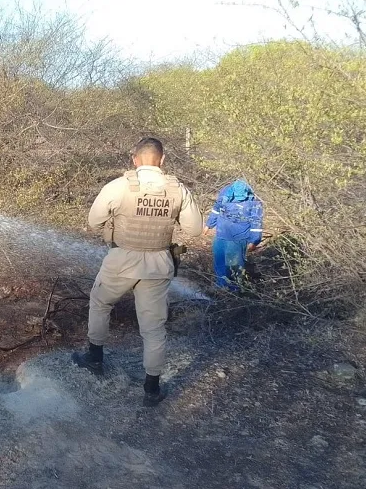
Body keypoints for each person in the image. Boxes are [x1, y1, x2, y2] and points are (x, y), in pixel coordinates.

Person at [72, 137, 203, 407]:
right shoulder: (178, 190)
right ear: (162, 159)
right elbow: (195, 230)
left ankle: (95, 359)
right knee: (153, 328)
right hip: (158, 263)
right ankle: (152, 389)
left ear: (135, 159)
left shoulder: (119, 186)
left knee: (100, 303)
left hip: (121, 259)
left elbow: (94, 220)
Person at [202, 179, 263, 290]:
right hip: (221, 235)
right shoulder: (225, 193)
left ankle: (235, 293)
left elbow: (256, 223)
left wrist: (254, 241)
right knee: (220, 264)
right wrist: (209, 225)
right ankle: (221, 289)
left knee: (235, 267)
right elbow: (216, 209)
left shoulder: (253, 202)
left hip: (239, 239)